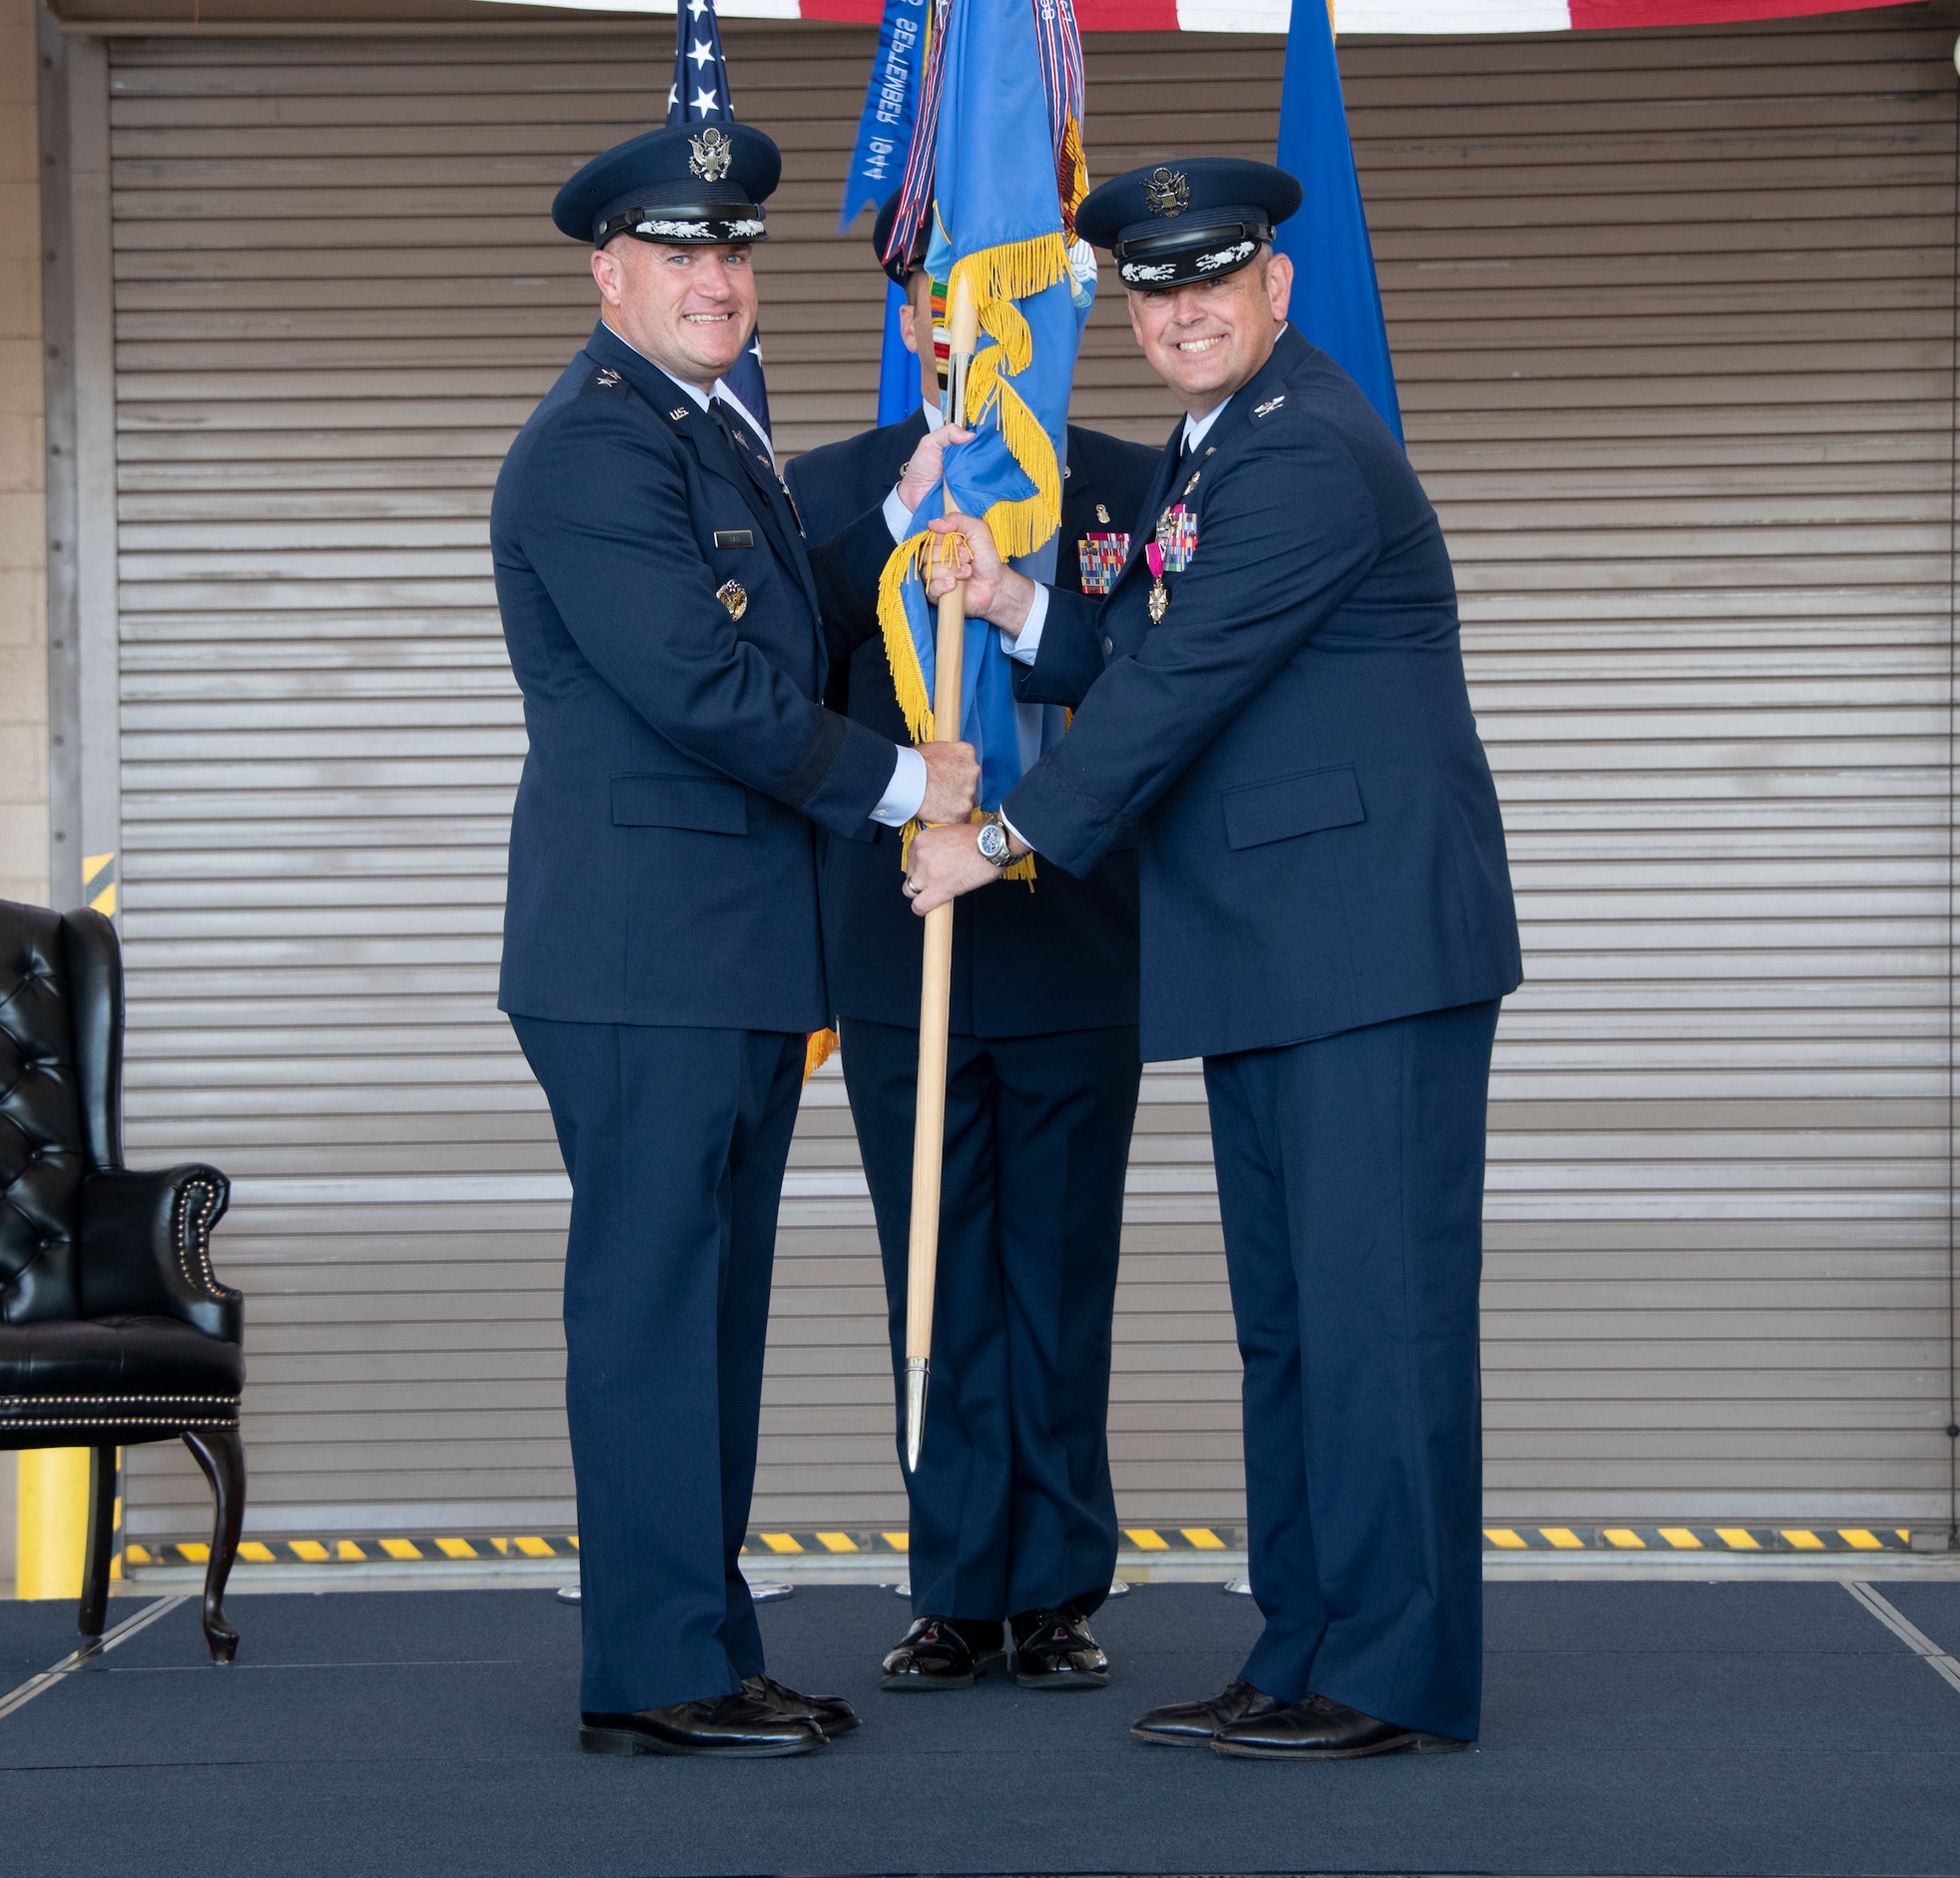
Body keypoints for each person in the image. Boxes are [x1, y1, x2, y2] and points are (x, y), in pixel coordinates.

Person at [906, 158, 1523, 1760]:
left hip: (1364, 951)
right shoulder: (1221, 448)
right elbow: (1142, 645)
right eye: (1152, 290)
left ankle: (1387, 1675)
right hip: (1282, 952)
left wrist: (1005, 835)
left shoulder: (1306, 449)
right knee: (1300, 1323)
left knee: (1371, 1317)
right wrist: (1014, 596)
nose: (1182, 311)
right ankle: (1308, 1644)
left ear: (1276, 290)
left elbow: (1175, 697)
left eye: (1212, 283)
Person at [490, 123, 979, 1759]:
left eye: (735, 252)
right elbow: (700, 692)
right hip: (645, 961)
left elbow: (770, 624)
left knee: (708, 1315)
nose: (719, 277)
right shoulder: (594, 449)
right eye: (682, 252)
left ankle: (701, 1642)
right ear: (608, 270)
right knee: (653, 1312)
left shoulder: (705, 433)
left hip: (728, 959)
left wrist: (894, 514)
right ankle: (653, 1672)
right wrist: (912, 782)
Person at [783, 196, 1159, 1692]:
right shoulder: (829, 491)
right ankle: (953, 1586)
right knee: (930, 1273)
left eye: (993, 310)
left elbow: (1149, 690)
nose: (966, 337)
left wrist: (1021, 597)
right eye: (940, 309)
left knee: (1059, 1281)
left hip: (1067, 941)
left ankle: (1058, 1587)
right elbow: (777, 689)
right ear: (907, 319)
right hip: (901, 948)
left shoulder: (1122, 489)